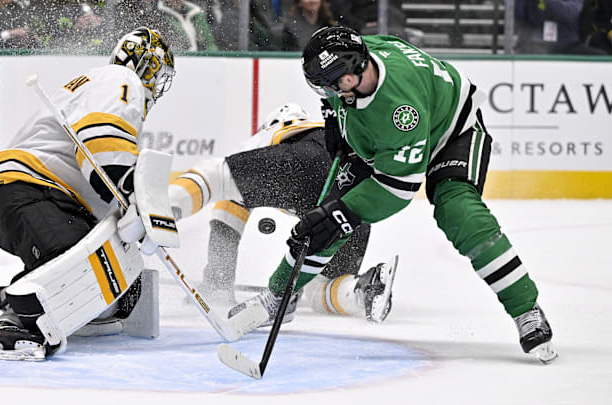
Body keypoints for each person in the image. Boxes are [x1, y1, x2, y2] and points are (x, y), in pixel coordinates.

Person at [232, 26, 558, 364]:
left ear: (354, 71)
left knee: (458, 212)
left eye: (334, 85)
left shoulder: (401, 110)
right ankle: (276, 299)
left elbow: (398, 189)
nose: (330, 90)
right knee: (322, 224)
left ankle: (526, 310)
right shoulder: (354, 60)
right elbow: (333, 81)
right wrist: (332, 115)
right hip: (380, 139)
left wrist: (344, 214)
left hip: (452, 133)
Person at [0, 27, 176, 359]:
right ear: (146, 66)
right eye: (159, 73)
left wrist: (133, 217)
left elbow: (97, 174)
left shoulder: (104, 83)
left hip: (41, 199)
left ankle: (20, 291)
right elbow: (102, 146)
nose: (158, 85)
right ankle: (15, 315)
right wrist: (134, 195)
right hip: (27, 190)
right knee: (82, 276)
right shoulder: (120, 80)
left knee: (121, 292)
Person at [169, 103, 397, 324]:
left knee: (217, 178)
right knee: (319, 291)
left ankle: (163, 206)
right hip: (354, 197)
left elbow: (230, 201)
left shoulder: (272, 133)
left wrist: (218, 280)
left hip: (307, 162)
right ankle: (362, 289)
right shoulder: (329, 127)